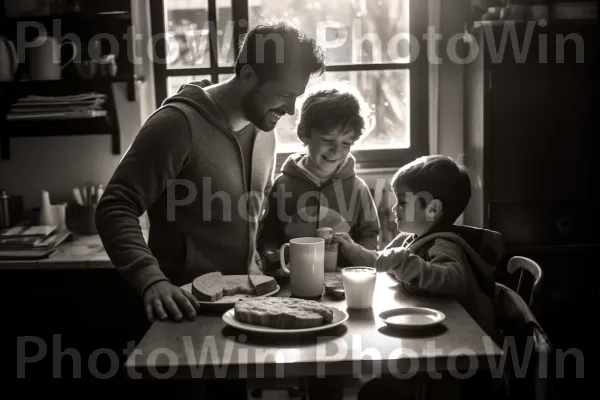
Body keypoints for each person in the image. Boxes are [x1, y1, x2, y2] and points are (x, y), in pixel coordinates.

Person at [95, 19, 326, 324]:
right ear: (247, 75)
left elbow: (249, 219)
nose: (292, 109)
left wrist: (264, 257)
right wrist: (152, 280)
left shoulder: (266, 132)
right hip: (184, 311)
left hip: (247, 307)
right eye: (284, 95)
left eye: (297, 96)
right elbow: (115, 207)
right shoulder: (176, 125)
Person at [333, 155, 506, 399]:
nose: (394, 209)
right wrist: (351, 248)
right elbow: (381, 260)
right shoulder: (412, 239)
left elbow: (454, 280)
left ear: (432, 209)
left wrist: (405, 263)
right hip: (437, 345)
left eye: (402, 202)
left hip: (462, 365)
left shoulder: (444, 244)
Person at [257, 80, 380, 273]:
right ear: (304, 134)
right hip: (293, 281)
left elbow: (370, 235)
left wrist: (357, 256)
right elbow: (268, 237)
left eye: (346, 143)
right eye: (327, 140)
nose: (336, 150)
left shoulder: (358, 188)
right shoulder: (282, 186)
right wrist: (274, 260)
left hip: (343, 284)